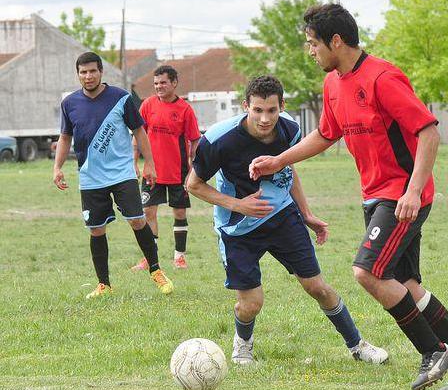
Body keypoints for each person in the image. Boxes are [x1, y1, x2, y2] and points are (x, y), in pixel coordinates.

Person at [249, 4, 448, 390]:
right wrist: (277, 160)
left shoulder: (383, 78)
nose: (310, 51)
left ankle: (434, 351)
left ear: (336, 41)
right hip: (375, 196)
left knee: (367, 272)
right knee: (407, 284)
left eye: (313, 44)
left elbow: (428, 132)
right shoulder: (333, 84)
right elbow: (326, 135)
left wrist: (413, 191)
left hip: (402, 196)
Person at [185, 75, 388, 366]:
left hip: (282, 218)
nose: (265, 118)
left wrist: (305, 213)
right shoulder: (219, 139)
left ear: (282, 106)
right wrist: (238, 204)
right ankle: (242, 346)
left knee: (317, 287)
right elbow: (192, 184)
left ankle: (358, 346)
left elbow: (287, 169)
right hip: (237, 229)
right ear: (245, 106)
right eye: (257, 110)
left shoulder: (290, 128)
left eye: (271, 110)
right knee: (251, 304)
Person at [53, 52, 174, 299]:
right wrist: (57, 168)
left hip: (122, 173)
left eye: (92, 71)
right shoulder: (69, 104)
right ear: (78, 74)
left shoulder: (121, 98)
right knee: (96, 229)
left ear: (101, 72)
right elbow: (65, 137)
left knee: (138, 221)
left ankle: (156, 270)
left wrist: (149, 163)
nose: (88, 76)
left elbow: (139, 131)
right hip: (89, 177)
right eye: (83, 72)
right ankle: (104, 285)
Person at [131, 65, 201, 271]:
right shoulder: (147, 105)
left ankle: (179, 257)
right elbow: (138, 135)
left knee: (179, 212)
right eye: (156, 84)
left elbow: (195, 141)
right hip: (151, 172)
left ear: (174, 83)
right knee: (147, 212)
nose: (159, 87)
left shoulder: (185, 109)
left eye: (163, 83)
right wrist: (134, 162)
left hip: (178, 171)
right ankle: (149, 258)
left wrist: (194, 169)